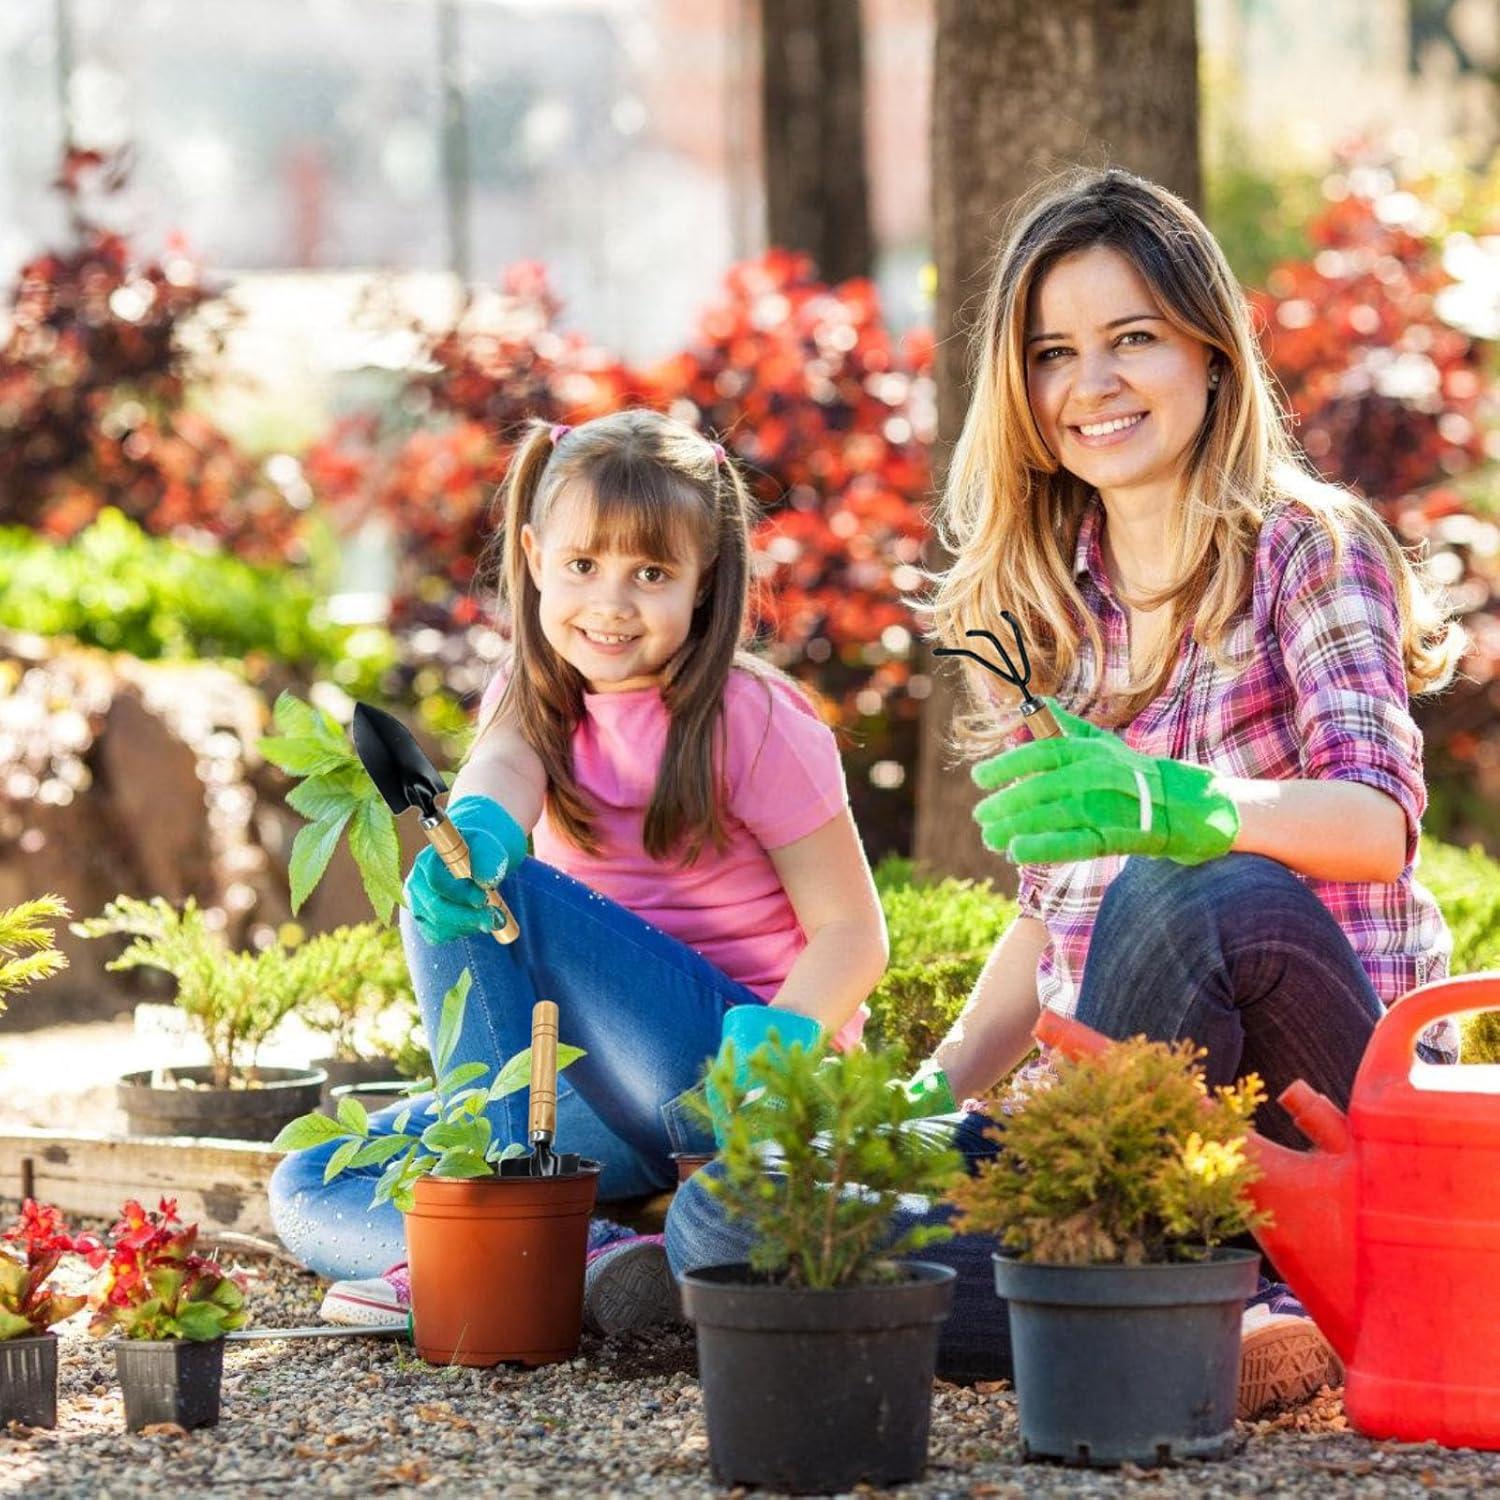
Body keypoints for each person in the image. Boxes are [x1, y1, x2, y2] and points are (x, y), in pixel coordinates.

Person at [666, 167, 1467, 1416]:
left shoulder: (1309, 545)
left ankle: (1242, 1266)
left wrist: (1181, 805)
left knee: (1191, 889)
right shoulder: (1055, 608)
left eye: (1132, 339)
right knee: (735, 1210)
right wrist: (921, 1102)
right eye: (1054, 352)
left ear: (1210, 355)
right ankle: (1199, 1289)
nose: (1091, 384)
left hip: (1318, 1102)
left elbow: (1379, 825)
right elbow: (1048, 919)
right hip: (1113, 1127)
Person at [269, 409, 888, 1334]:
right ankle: (590, 1257)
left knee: (494, 890)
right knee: (315, 1172)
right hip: (591, 1099)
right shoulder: (532, 687)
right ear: (531, 554)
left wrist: (788, 1035)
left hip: (737, 1074)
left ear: (705, 577)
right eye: (582, 567)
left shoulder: (753, 717)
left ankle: (491, 1226)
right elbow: (501, 776)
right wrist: (470, 829)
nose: (611, 604)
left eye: (651, 573)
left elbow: (855, 932)